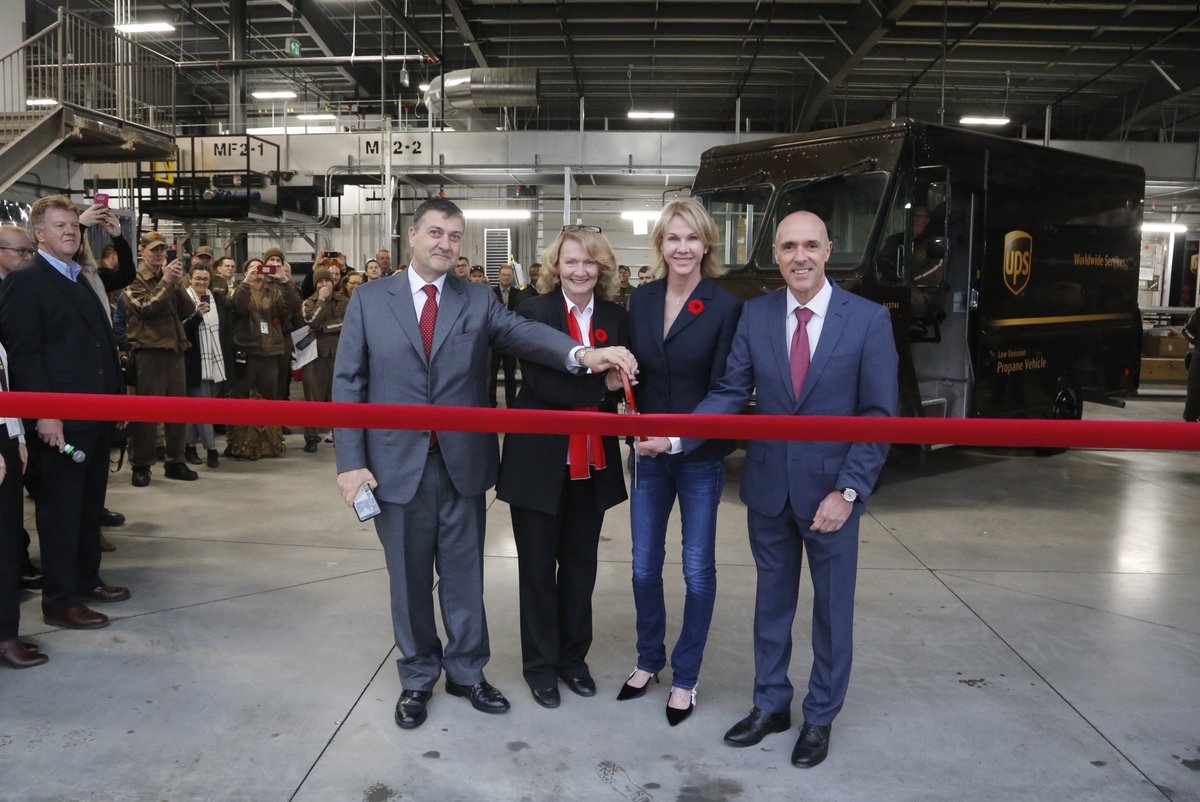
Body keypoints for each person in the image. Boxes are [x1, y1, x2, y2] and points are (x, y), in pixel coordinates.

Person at [332, 198, 637, 732]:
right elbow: (349, 382)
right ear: (412, 235)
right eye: (435, 233)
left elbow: (527, 336)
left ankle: (468, 671)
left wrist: (584, 355)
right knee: (407, 579)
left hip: (461, 462)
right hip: (393, 463)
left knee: (464, 575)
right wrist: (350, 462)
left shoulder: (476, 299)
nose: (444, 243)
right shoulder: (368, 299)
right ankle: (418, 675)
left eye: (453, 235)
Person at [642, 210, 898, 768]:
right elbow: (731, 391)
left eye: (810, 245)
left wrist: (849, 492)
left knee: (831, 612)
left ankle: (821, 717)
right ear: (776, 255)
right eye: (788, 247)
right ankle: (770, 703)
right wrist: (675, 436)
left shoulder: (868, 319)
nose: (799, 256)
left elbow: (880, 415)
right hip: (769, 491)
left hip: (832, 496)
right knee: (771, 607)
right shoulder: (756, 315)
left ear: (829, 249)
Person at [495, 225, 630, 709]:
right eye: (570, 262)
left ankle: (574, 660)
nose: (579, 271)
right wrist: (603, 384)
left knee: (580, 570)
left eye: (589, 263)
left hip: (592, 465)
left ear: (603, 269)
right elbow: (542, 384)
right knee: (535, 571)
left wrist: (617, 387)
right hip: (538, 464)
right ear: (556, 266)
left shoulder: (616, 317)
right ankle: (540, 668)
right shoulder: (532, 312)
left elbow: (629, 380)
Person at [618, 198, 742, 725]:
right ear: (660, 245)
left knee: (696, 569)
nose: (683, 248)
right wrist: (622, 396)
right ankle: (649, 659)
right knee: (644, 565)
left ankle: (686, 676)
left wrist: (674, 439)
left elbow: (726, 391)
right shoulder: (641, 300)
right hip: (644, 454)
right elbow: (633, 371)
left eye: (692, 238)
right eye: (673, 238)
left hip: (695, 455)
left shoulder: (723, 304)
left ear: (707, 244)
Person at [0, 195, 129, 630]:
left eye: (74, 225)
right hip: (59, 419)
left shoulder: (76, 276)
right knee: (61, 509)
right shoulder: (26, 280)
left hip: (94, 412)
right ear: (39, 234)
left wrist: (116, 397)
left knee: (90, 506)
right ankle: (60, 600)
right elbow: (26, 355)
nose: (71, 231)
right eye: (59, 226)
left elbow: (100, 344)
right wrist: (45, 414)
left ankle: (86, 579)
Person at [124, 231, 198, 487]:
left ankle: (175, 461)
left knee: (178, 411)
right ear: (142, 251)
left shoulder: (168, 278)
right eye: (154, 250)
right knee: (146, 414)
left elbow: (188, 309)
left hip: (174, 350)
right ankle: (141, 464)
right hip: (148, 351)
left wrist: (175, 283)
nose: (159, 255)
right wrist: (166, 282)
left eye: (162, 250)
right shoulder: (133, 279)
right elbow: (145, 308)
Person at [0, 339, 46, 667]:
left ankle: (6, 632)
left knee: (8, 541)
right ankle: (4, 639)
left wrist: (18, 437)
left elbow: (5, 387)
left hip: (5, 437)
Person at [183, 264, 234, 468]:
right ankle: (211, 449)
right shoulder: (184, 301)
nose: (201, 282)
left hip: (217, 362)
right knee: (204, 410)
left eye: (205, 279)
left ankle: (189, 447)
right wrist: (196, 316)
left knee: (197, 410)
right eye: (198, 278)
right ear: (190, 279)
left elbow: (226, 329)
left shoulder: (218, 300)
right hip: (195, 363)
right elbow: (182, 330)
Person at [300, 267, 346, 452]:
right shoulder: (308, 302)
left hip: (339, 355)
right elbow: (311, 322)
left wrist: (324, 328)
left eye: (327, 281)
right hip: (314, 357)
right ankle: (311, 437)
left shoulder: (344, 300)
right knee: (313, 398)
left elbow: (346, 321)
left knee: (340, 398)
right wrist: (322, 301)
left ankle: (340, 435)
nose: (324, 284)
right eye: (320, 281)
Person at [489, 264, 522, 407]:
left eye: (509, 275)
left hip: (511, 339)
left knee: (510, 373)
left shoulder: (519, 293)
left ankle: (511, 402)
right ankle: (491, 401)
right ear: (499, 276)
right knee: (492, 372)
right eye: (503, 274)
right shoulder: (491, 292)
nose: (506, 277)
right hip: (495, 339)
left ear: (513, 277)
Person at [1184, 306, 1200, 422]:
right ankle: (1191, 417)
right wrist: (1195, 340)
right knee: (1195, 387)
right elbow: (1186, 330)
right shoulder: (1198, 313)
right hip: (1199, 355)